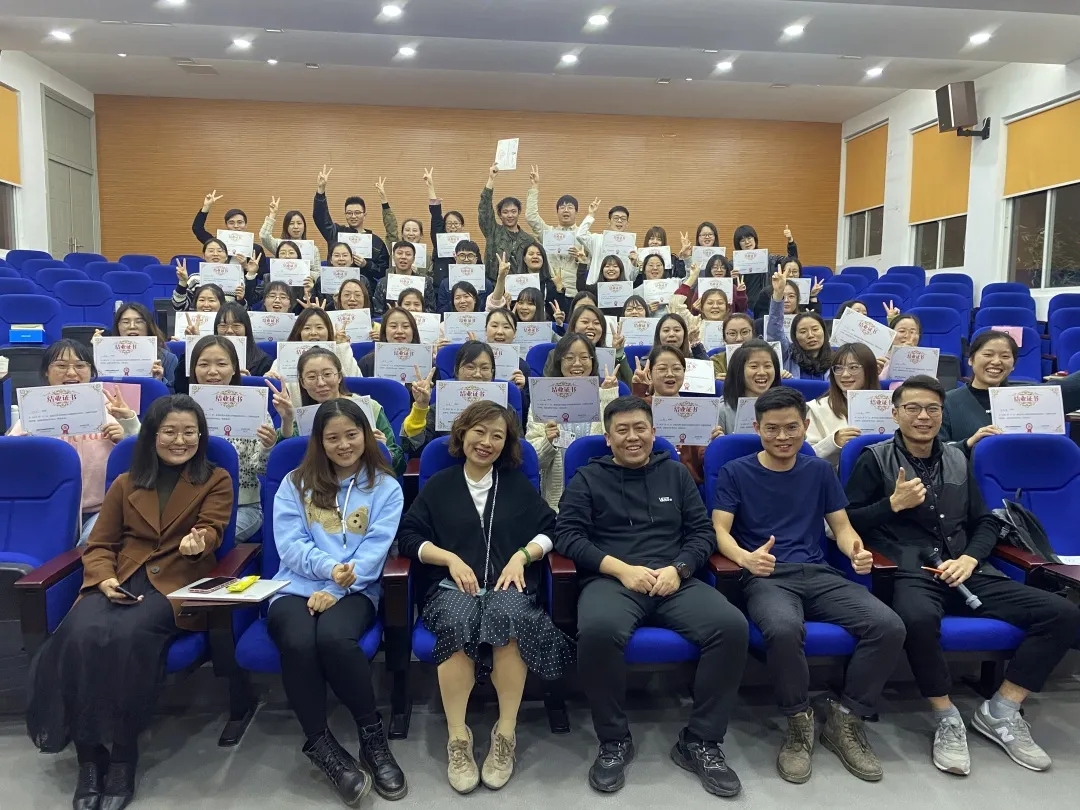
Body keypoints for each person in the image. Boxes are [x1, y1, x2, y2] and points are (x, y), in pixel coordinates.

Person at [845, 375, 1080, 775]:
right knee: (918, 619)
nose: (923, 416)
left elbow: (985, 522)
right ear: (895, 413)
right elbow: (846, 520)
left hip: (966, 567)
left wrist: (970, 558)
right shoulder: (874, 458)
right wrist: (892, 504)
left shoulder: (958, 457)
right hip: (911, 570)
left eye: (932, 409)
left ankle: (1002, 710)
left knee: (1063, 614)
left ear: (942, 413)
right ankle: (946, 715)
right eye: (913, 408)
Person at [26, 395, 233, 810]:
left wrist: (200, 542)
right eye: (170, 431)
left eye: (189, 432)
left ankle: (122, 755)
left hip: (175, 581)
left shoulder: (215, 478)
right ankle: (88, 757)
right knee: (78, 633)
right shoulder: (125, 482)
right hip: (120, 576)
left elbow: (212, 528)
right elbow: (101, 544)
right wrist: (104, 579)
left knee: (129, 635)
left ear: (201, 435)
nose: (180, 440)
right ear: (152, 435)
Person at [555, 396, 748, 797]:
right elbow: (568, 536)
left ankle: (700, 741)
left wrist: (679, 569)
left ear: (654, 432)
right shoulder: (588, 478)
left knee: (730, 626)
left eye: (640, 428)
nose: (632, 437)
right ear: (608, 438)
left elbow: (702, 533)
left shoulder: (675, 473)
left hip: (673, 579)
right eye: (622, 430)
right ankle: (614, 740)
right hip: (613, 580)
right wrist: (621, 569)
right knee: (598, 630)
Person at [713, 386, 905, 784]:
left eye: (791, 428)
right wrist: (745, 558)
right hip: (767, 575)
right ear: (757, 428)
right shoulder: (736, 471)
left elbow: (842, 527)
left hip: (818, 573)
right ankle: (798, 721)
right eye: (772, 429)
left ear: (804, 426)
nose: (782, 437)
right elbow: (720, 531)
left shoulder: (818, 470)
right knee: (783, 629)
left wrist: (855, 550)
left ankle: (846, 718)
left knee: (888, 626)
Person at [398, 401, 574, 792]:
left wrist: (522, 555)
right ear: (462, 434)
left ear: (506, 443)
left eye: (497, 436)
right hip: (451, 587)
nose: (487, 442)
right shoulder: (440, 484)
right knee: (457, 621)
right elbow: (409, 537)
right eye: (479, 431)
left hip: (506, 585)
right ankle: (458, 737)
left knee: (511, 619)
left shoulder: (515, 484)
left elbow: (551, 529)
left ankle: (505, 734)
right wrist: (448, 559)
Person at [268, 397, 406, 804]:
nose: (344, 445)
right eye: (333, 438)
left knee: (333, 639)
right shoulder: (295, 483)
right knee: (297, 641)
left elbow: (375, 551)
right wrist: (329, 570)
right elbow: (289, 545)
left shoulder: (386, 488)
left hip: (356, 587)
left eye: (352, 435)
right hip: (294, 585)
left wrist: (339, 587)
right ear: (319, 441)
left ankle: (371, 737)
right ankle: (321, 744)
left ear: (366, 435)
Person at [8, 339, 141, 545]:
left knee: (92, 544)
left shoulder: (111, 410)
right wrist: (29, 446)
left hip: (102, 509)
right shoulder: (33, 412)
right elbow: (10, 459)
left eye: (80, 365)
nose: (71, 373)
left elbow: (143, 455)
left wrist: (128, 429)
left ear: (91, 371)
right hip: (48, 509)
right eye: (61, 366)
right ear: (46, 372)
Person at [189, 335, 288, 540]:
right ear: (194, 369)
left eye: (221, 364)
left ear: (234, 368)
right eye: (204, 364)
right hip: (188, 504)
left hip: (241, 506)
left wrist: (267, 447)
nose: (212, 371)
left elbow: (261, 470)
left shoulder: (253, 407)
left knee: (206, 543)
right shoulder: (181, 409)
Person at [526, 333, 620, 510]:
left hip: (604, 500)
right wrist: (548, 442)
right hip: (556, 504)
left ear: (593, 361)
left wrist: (608, 396)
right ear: (559, 362)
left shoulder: (605, 395)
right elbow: (534, 461)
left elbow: (616, 447)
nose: (577, 363)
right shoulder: (543, 400)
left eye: (584, 357)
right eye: (569, 358)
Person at [941, 331, 1080, 450]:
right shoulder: (947, 402)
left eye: (1005, 356)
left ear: (1013, 365)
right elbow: (936, 449)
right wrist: (968, 443)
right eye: (988, 354)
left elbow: (1071, 388)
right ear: (970, 360)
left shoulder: (1032, 396)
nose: (996, 361)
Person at [293, 347, 405, 476]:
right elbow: (289, 458)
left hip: (368, 479)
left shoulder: (369, 407)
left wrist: (383, 449)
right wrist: (286, 420)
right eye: (311, 377)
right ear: (302, 382)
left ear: (339, 376)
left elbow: (399, 465)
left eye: (327, 374)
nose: (321, 383)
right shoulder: (302, 417)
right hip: (319, 480)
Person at [401, 341, 515, 458]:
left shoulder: (505, 411)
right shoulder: (441, 408)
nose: (477, 374)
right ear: (456, 370)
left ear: (492, 372)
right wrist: (421, 406)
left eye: (485, 368)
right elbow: (413, 448)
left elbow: (514, 450)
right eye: (470, 367)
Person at [630, 345, 723, 483]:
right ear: (649, 374)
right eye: (662, 369)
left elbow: (703, 458)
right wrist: (638, 391)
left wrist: (715, 444)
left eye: (677, 368)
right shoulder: (641, 408)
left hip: (688, 483)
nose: (670, 374)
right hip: (645, 480)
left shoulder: (699, 410)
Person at [806, 343, 881, 468]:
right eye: (838, 368)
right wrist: (833, 442)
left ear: (869, 370)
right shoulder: (817, 408)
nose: (845, 374)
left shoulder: (889, 406)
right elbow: (808, 457)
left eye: (853, 367)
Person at [312, 165, 390, 286]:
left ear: (364, 215)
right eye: (349, 213)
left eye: (357, 213)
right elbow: (321, 219)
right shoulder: (337, 233)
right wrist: (320, 191)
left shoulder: (376, 242)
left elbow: (384, 271)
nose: (353, 216)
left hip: (363, 289)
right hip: (334, 286)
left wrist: (367, 264)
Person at [268, 308, 360, 403]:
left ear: (328, 330)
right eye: (307, 328)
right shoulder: (284, 357)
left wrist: (342, 347)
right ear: (299, 332)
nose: (313, 332)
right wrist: (270, 377)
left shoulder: (341, 352)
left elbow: (355, 382)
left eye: (319, 327)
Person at [525, 165, 591, 296]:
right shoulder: (548, 233)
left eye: (570, 207)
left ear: (576, 212)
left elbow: (593, 265)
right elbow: (531, 217)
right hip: (550, 290)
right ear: (557, 212)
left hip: (575, 292)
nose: (566, 210)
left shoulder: (584, 236)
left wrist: (582, 260)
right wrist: (535, 187)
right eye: (562, 207)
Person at [479, 162, 536, 285]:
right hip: (494, 286)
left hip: (521, 287)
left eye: (513, 211)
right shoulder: (493, 232)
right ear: (500, 215)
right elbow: (484, 210)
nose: (510, 215)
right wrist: (491, 179)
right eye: (505, 212)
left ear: (519, 212)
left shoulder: (529, 240)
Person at [103, 303, 177, 392]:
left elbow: (173, 396)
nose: (132, 326)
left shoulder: (168, 358)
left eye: (139, 321)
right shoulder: (105, 356)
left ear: (148, 326)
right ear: (117, 326)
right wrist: (98, 350)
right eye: (125, 322)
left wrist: (159, 382)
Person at [172, 239, 257, 311]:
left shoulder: (237, 280)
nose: (215, 254)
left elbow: (245, 312)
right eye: (211, 251)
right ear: (203, 255)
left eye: (220, 251)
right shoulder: (194, 279)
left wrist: (241, 300)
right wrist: (182, 283)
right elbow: (179, 307)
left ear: (226, 256)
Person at [717, 339, 782, 434]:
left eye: (767, 366)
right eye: (754, 366)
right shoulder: (722, 410)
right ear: (739, 370)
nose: (762, 372)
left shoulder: (786, 407)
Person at [567, 303, 632, 384]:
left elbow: (629, 386)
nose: (591, 327)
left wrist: (618, 353)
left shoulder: (608, 356)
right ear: (573, 326)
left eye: (596, 323)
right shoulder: (557, 353)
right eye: (585, 322)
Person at [732, 223, 798, 304]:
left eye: (749, 238)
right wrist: (731, 278)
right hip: (744, 304)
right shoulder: (733, 264)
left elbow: (791, 260)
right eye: (742, 240)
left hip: (766, 303)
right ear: (738, 244)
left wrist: (790, 241)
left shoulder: (769, 258)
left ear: (755, 239)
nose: (747, 242)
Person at [425, 167, 466, 287]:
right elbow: (436, 217)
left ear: (462, 226)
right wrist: (430, 186)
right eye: (449, 224)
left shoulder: (468, 244)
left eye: (456, 223)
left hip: (463, 285)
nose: (453, 227)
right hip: (441, 285)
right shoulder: (439, 240)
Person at [373, 241, 437, 315]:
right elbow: (378, 312)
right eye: (399, 253)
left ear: (413, 259)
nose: (403, 257)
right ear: (393, 257)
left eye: (408, 254)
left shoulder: (425, 281)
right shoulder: (383, 283)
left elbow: (431, 311)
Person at [672, 255, 748, 316]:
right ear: (709, 269)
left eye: (723, 267)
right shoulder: (701, 287)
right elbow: (694, 313)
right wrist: (695, 309)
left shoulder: (733, 287)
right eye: (715, 267)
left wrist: (741, 293)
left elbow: (742, 310)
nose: (719, 270)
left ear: (727, 270)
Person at [357, 306, 420, 378]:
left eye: (405, 326)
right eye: (393, 326)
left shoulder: (425, 360)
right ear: (384, 331)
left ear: (413, 331)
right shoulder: (367, 362)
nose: (399, 331)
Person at [578, 203, 633, 286]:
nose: (619, 221)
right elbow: (580, 235)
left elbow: (632, 277)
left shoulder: (631, 245)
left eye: (623, 219)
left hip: (621, 288)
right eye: (616, 218)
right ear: (609, 222)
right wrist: (591, 215)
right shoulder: (597, 239)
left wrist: (634, 264)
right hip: (596, 286)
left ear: (627, 223)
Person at [260, 197, 323, 270]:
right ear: (286, 226)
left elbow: (317, 272)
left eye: (299, 223)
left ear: (304, 226)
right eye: (291, 223)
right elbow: (264, 236)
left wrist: (303, 273)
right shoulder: (278, 244)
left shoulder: (313, 249)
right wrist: (272, 214)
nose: (296, 227)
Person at [213, 302, 273, 377]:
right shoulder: (206, 356)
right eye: (223, 326)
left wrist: (248, 380)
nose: (229, 331)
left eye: (236, 326)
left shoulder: (263, 362)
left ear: (246, 329)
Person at [751, 257, 821, 319]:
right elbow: (760, 316)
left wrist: (813, 296)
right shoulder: (767, 292)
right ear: (781, 272)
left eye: (795, 272)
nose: (791, 275)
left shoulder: (805, 291)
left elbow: (816, 316)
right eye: (787, 271)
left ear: (800, 273)